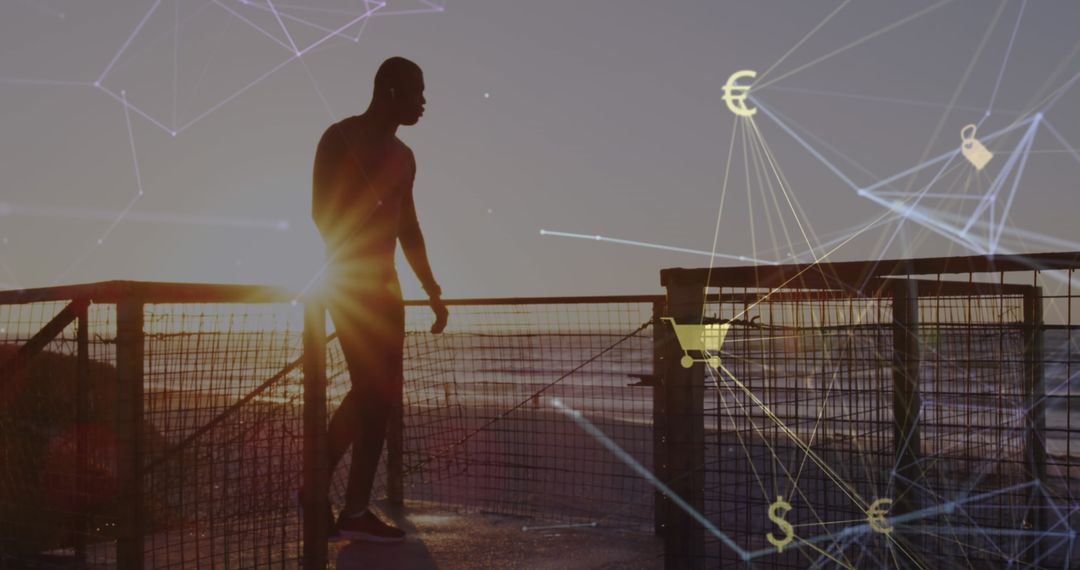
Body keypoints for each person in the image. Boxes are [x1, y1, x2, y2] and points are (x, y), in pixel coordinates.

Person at [309, 56, 448, 542]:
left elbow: (409, 227)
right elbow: (320, 212)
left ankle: (351, 509)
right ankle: (314, 490)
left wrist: (431, 288)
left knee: (380, 399)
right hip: (349, 284)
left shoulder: (406, 156)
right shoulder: (340, 137)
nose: (423, 102)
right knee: (370, 391)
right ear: (390, 90)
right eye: (417, 92)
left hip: (390, 290)